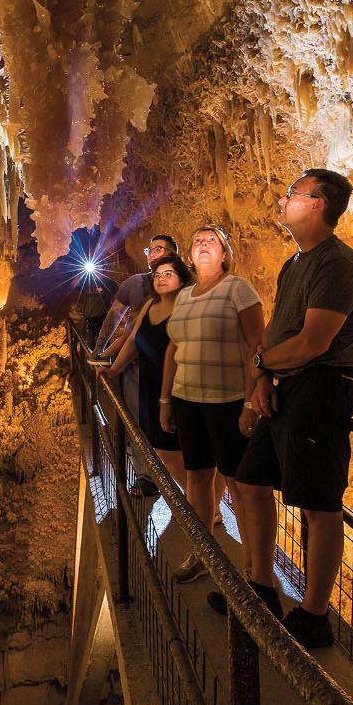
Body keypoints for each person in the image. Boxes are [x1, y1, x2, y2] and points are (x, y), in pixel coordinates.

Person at [235, 169, 353, 649]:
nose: (283, 198)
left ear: (317, 205)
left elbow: (314, 342)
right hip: (286, 386)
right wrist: (265, 376)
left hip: (321, 389)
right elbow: (279, 328)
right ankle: (262, 587)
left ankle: (314, 614)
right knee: (250, 480)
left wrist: (259, 363)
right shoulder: (295, 265)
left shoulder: (336, 264)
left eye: (293, 193)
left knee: (318, 504)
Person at [158, 226, 265, 583]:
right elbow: (174, 349)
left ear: (223, 253)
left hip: (227, 401)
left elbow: (256, 347)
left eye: (212, 242)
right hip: (188, 400)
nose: (204, 246)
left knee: (237, 482)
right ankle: (202, 550)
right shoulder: (185, 296)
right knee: (197, 476)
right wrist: (166, 399)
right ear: (189, 255)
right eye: (197, 241)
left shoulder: (238, 288)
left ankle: (252, 567)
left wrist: (251, 401)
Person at [103, 253, 190, 492]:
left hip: (179, 384)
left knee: (183, 448)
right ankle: (196, 501)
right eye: (157, 275)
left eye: (168, 274)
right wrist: (113, 369)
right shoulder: (151, 305)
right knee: (163, 448)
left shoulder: (188, 305)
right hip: (151, 382)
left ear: (182, 279)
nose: (161, 279)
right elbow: (133, 340)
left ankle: (202, 506)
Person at [96, 234, 178, 358]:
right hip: (132, 359)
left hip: (169, 357)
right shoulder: (134, 282)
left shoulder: (183, 286)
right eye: (149, 251)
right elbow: (115, 315)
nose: (151, 254)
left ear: (172, 254)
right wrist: (99, 349)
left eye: (158, 249)